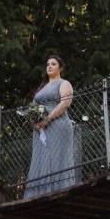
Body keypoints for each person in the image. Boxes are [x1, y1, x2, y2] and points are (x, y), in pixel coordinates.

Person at [24, 56, 75, 199]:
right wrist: (33, 121)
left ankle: (58, 191)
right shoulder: (42, 88)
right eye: (47, 64)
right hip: (40, 128)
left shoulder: (64, 83)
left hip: (57, 124)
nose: (50, 67)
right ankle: (41, 192)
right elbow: (32, 107)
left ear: (61, 68)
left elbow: (65, 103)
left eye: (53, 64)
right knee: (41, 158)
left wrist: (48, 118)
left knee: (56, 156)